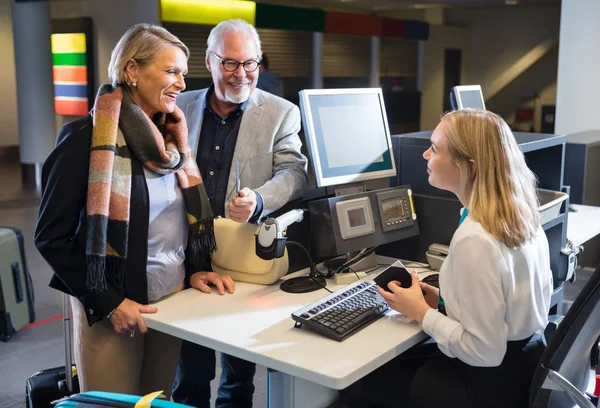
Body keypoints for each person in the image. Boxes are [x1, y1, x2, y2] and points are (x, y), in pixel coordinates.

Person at [34, 24, 233, 397]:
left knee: (156, 401)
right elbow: (50, 238)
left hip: (169, 301)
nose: (180, 83)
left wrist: (195, 271)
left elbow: (173, 223)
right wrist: (110, 303)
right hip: (113, 307)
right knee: (117, 407)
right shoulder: (86, 141)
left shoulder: (172, 144)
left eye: (184, 75)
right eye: (171, 71)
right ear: (131, 70)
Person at [340, 109, 553, 408]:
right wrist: (442, 301)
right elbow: (505, 304)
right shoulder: (519, 216)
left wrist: (421, 313)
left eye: (436, 149)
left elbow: (484, 352)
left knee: (357, 382)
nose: (426, 154)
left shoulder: (476, 239)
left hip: (485, 388)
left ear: (469, 167)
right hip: (522, 369)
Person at [171, 19, 308, 408]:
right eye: (230, 64)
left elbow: (294, 174)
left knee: (238, 378)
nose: (241, 74)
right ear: (210, 61)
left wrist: (259, 200)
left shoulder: (281, 113)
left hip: (241, 260)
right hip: (187, 254)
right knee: (189, 372)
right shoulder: (179, 106)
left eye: (250, 63)